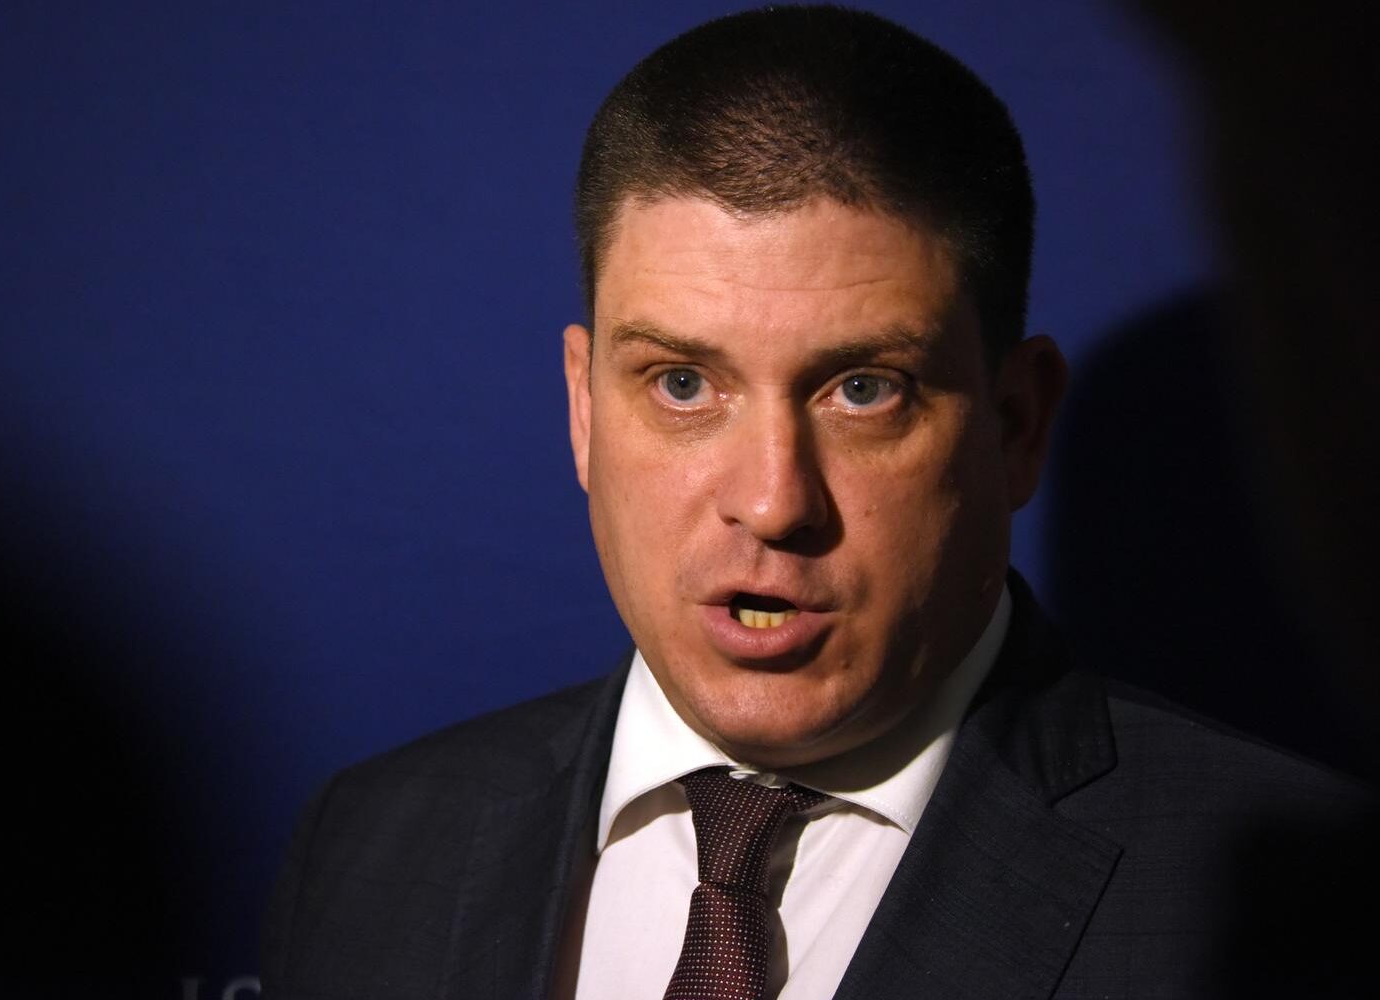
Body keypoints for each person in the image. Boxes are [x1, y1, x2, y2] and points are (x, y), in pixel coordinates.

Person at [262, 7, 1373, 998]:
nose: (772, 502)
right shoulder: (374, 846)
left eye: (863, 391)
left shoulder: (1290, 907)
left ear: (1015, 424)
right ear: (584, 409)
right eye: (682, 385)